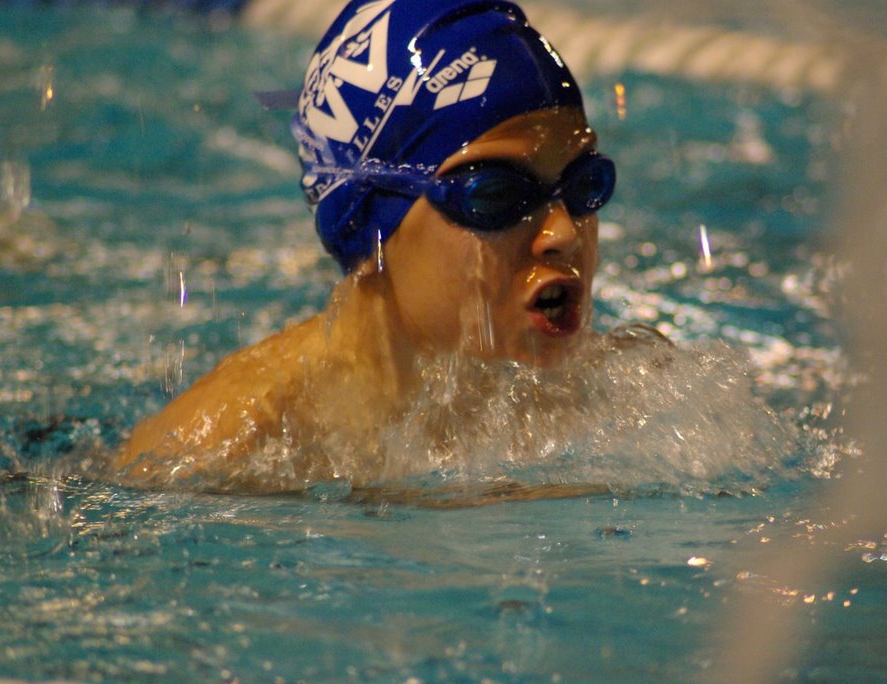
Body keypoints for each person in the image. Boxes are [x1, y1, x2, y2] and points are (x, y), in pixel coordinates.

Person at [113, 0, 622, 494]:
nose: (564, 232)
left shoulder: (626, 399)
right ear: (367, 225)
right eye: (494, 195)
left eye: (584, 184)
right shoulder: (223, 450)